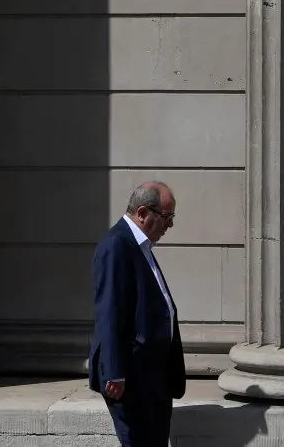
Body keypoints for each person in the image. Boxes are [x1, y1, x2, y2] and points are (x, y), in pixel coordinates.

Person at [89, 182, 187, 446]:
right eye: (167, 217)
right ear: (143, 213)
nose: (170, 226)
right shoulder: (116, 245)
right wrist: (115, 372)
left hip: (151, 376)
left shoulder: (139, 246)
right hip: (131, 378)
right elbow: (109, 310)